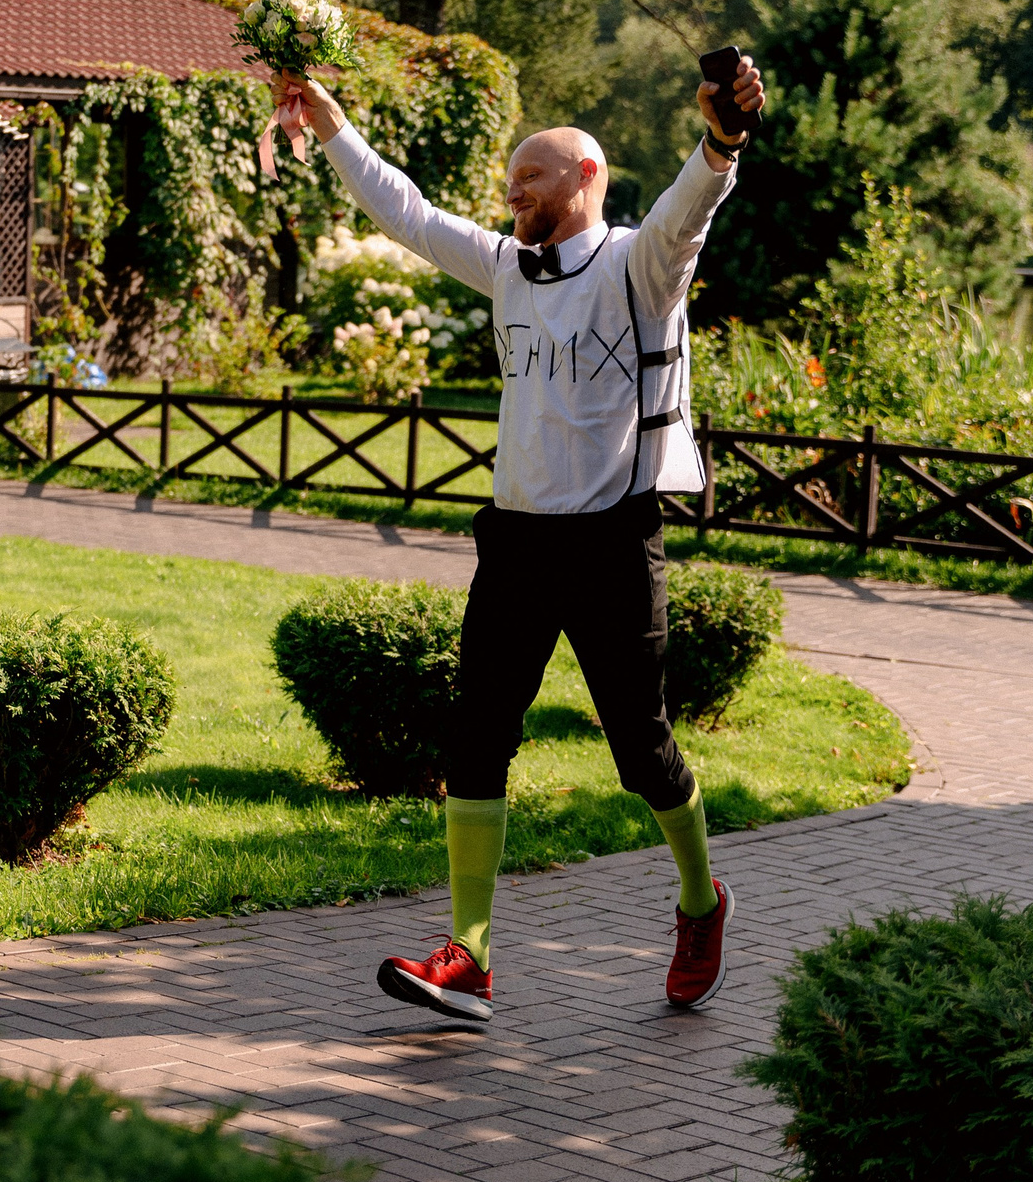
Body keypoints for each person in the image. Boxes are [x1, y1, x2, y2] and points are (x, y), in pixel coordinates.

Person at [278, 53, 766, 1021]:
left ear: (585, 177)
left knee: (641, 749)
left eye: (530, 175)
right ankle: (471, 953)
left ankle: (701, 899)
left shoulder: (639, 263)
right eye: (508, 179)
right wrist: (332, 124)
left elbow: (690, 207)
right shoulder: (505, 264)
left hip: (612, 544)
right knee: (476, 739)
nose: (512, 191)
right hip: (514, 542)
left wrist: (721, 138)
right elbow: (407, 214)